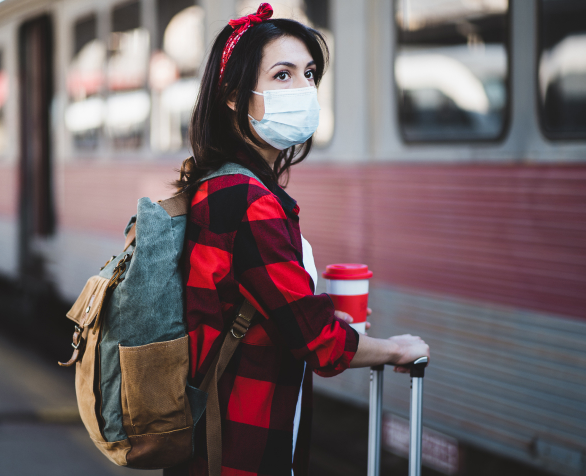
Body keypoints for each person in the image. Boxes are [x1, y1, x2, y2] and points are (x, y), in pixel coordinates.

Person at [167, 4, 429, 475]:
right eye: (282, 75)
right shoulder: (249, 199)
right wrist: (395, 349)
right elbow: (319, 342)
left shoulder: (218, 184)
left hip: (212, 441)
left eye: (309, 74)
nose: (304, 89)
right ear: (232, 96)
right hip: (238, 450)